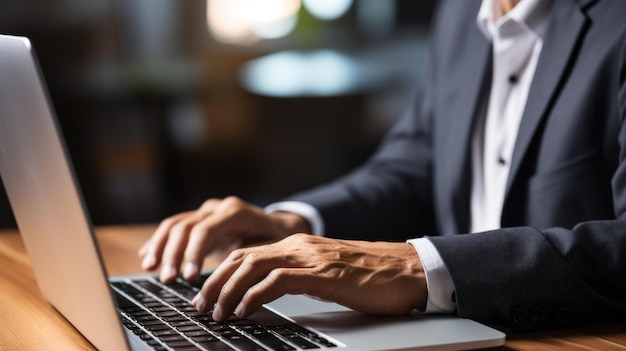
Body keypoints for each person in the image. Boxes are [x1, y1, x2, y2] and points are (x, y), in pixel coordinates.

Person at [138, 0, 626, 331]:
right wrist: (292, 221)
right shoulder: (460, 12)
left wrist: (420, 267)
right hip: (458, 340)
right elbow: (417, 166)